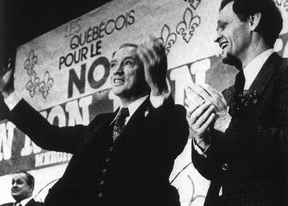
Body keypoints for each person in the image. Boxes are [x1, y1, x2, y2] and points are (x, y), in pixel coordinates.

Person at [0, 38, 189, 206]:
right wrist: (9, 94)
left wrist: (158, 87)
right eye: (113, 64)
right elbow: (49, 136)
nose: (117, 71)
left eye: (128, 63)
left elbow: (165, 142)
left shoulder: (168, 114)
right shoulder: (99, 124)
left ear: (147, 70)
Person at [186, 0, 288, 206]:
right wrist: (201, 141)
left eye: (223, 26)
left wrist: (227, 123)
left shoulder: (285, 73)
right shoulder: (227, 96)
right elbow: (214, 172)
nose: (216, 36)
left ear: (253, 21)